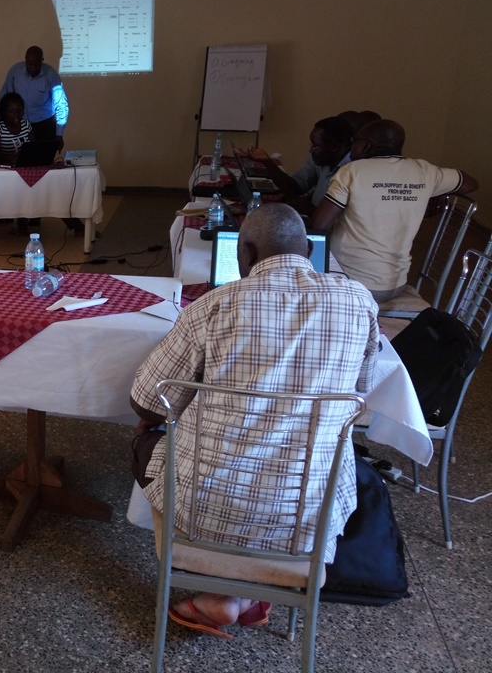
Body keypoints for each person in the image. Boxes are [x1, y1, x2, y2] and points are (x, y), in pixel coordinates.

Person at [130, 203, 379, 638]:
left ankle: (224, 596)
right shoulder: (358, 301)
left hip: (202, 512)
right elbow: (358, 395)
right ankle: (239, 595)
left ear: (244, 252)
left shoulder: (213, 306)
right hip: (308, 520)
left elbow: (148, 402)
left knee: (147, 438)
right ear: (307, 250)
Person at [312, 119, 479, 302]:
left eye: (355, 142)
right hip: (395, 285)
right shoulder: (426, 171)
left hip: (350, 281)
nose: (352, 147)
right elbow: (470, 183)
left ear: (367, 146)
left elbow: (319, 225)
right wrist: (434, 193)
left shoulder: (351, 171)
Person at [251, 116, 354, 215]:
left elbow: (342, 219)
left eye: (315, 145)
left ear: (333, 146)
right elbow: (295, 188)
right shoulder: (323, 159)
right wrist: (267, 162)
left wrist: (310, 209)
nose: (311, 150)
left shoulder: (353, 171)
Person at [0, 45, 69, 151]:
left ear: (42, 61)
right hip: (20, 125)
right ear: (25, 59)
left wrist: (59, 134)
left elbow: (61, 104)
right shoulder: (15, 72)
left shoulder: (51, 75)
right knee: (21, 161)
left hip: (45, 126)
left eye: (36, 64)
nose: (33, 68)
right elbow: (4, 100)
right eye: (29, 64)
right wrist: (4, 126)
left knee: (44, 161)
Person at [0, 91, 33, 167]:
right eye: (11, 111)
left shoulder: (25, 124)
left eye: (19, 110)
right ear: (4, 112)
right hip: (6, 168)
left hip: (25, 165)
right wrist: (11, 158)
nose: (16, 114)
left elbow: (33, 146)